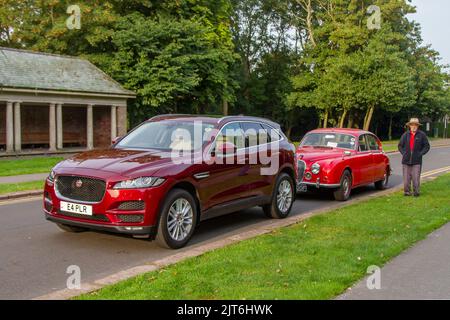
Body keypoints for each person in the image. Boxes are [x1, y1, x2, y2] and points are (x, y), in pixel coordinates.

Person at [398, 118, 430, 197]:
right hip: (406, 161)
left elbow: (427, 146)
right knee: (406, 180)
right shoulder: (405, 135)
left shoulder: (422, 135)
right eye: (412, 125)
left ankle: (416, 192)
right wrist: (404, 153)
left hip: (417, 161)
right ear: (410, 126)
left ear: (418, 126)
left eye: (415, 125)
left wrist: (420, 153)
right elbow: (400, 145)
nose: (414, 126)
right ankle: (407, 192)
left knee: (415, 179)